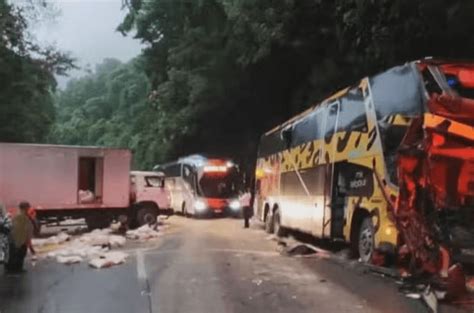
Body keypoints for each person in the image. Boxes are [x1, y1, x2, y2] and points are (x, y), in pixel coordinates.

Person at [5, 201, 34, 273]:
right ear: (25, 207)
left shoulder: (23, 215)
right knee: (17, 254)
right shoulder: (20, 216)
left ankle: (16, 268)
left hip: (20, 239)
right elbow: (18, 230)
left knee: (19, 254)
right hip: (18, 240)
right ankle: (13, 269)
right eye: (28, 207)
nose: (29, 209)